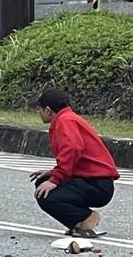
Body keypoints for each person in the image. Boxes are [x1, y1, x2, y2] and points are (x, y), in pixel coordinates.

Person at [31, 88, 119, 237]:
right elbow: (78, 158)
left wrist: (56, 179)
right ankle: (79, 224)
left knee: (45, 194)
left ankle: (86, 219)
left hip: (97, 185)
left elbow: (73, 148)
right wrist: (53, 174)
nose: (38, 113)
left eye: (39, 109)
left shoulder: (65, 121)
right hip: (94, 181)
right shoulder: (68, 118)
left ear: (48, 110)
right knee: (43, 182)